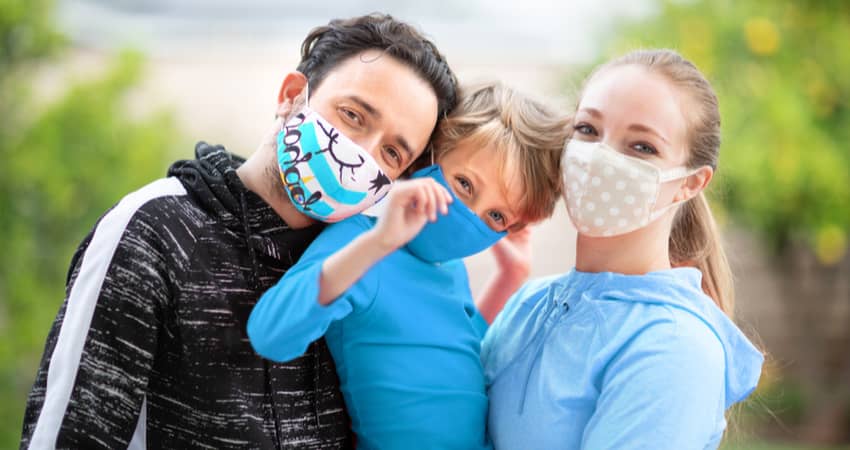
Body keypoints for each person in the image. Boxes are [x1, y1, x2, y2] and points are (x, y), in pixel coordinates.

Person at [21, 14, 458, 449]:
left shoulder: (361, 273)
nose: (360, 155)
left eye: (392, 152)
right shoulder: (155, 229)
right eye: (352, 115)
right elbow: (68, 435)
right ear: (292, 95)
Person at [247, 82, 569, 449]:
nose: (471, 217)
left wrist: (508, 279)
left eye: (496, 215)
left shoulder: (450, 268)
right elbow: (271, 333)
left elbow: (456, 354)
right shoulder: (360, 240)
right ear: (424, 161)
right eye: (464, 184)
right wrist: (380, 241)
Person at [481, 49, 764, 449]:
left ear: (691, 183)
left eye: (642, 147)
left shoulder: (674, 346)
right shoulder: (529, 302)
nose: (600, 156)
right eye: (588, 130)